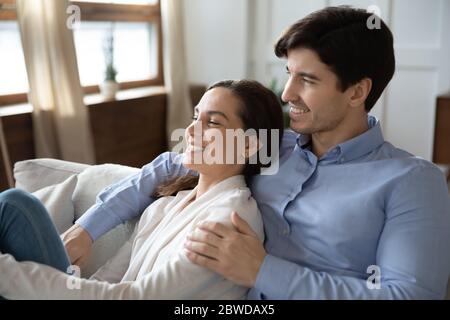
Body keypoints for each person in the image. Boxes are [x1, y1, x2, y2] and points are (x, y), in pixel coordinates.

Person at [61, 6, 450, 300]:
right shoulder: (270, 146)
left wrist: (264, 271)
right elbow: (168, 164)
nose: (287, 94)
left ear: (357, 91)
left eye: (308, 80)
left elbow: (408, 296)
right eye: (289, 74)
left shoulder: (413, 181)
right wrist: (86, 229)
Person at [0, 80, 284, 299]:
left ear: (249, 144)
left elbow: (138, 296)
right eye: (195, 117)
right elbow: (106, 281)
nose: (192, 131)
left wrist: (8, 273)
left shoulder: (229, 221)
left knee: (14, 207)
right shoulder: (166, 204)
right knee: (14, 203)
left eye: (212, 122)